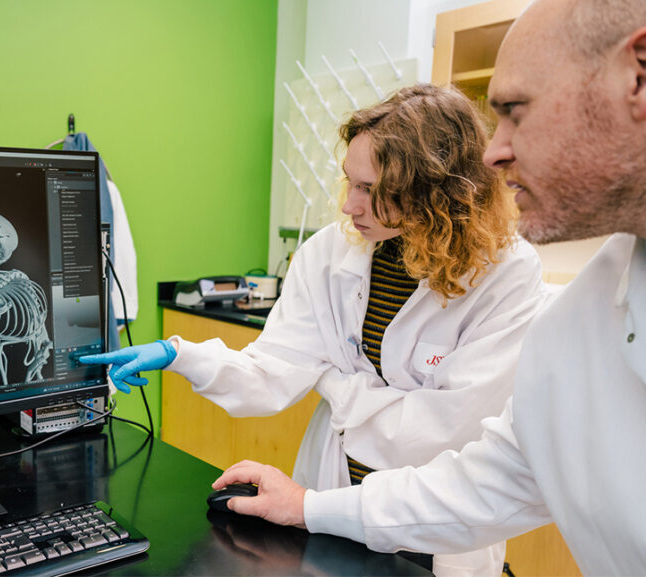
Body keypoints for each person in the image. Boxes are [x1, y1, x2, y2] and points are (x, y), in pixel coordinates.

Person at [211, 0, 646, 574]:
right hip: (358, 513)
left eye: (516, 109)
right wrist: (309, 507)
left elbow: (443, 436)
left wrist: (337, 388)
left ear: (637, 75)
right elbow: (494, 479)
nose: (493, 153)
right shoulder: (590, 313)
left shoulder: (523, 282)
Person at [82, 83, 546, 575]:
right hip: (329, 502)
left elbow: (441, 431)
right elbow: (275, 371)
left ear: (435, 191)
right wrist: (180, 355)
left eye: (372, 190)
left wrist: (335, 385)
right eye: (351, 182)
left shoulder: (506, 274)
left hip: (435, 526)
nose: (350, 205)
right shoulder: (331, 254)